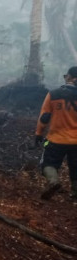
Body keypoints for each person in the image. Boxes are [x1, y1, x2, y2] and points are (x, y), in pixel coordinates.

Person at [35, 66, 77, 200]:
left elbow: (44, 117)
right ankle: (75, 193)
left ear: (69, 77)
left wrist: (38, 133)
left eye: (66, 75)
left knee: (48, 164)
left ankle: (53, 182)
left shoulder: (53, 94)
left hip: (55, 139)